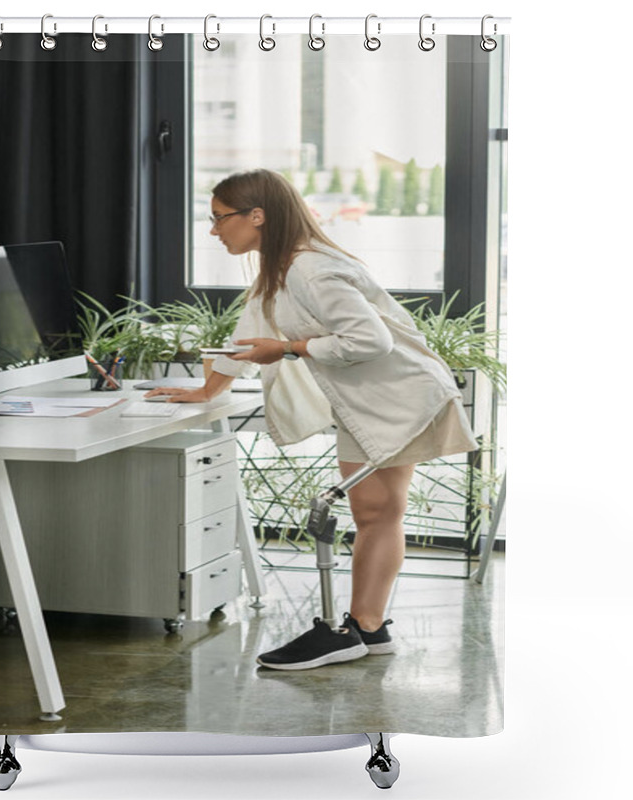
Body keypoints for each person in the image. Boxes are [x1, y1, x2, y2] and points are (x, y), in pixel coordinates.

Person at [145, 169, 478, 671]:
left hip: (401, 397)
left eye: (219, 219)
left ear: (257, 216)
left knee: (376, 512)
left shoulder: (308, 269)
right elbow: (251, 326)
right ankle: (368, 628)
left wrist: (290, 347)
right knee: (376, 512)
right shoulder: (281, 266)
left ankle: (355, 629)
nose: (214, 231)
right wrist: (210, 388)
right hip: (376, 400)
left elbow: (371, 342)